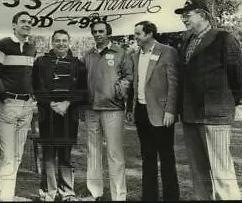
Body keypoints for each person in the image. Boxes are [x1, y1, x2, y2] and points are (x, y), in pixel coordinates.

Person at [174, 0, 242, 200]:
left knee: (222, 172)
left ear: (203, 15)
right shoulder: (187, 42)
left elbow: (239, 74)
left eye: (187, 15)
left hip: (215, 115)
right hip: (190, 115)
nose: (184, 19)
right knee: (198, 173)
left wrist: (228, 102)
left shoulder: (223, 38)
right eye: (182, 16)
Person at [126, 21, 180, 200]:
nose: (135, 37)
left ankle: (171, 197)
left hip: (162, 113)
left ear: (149, 34)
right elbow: (135, 84)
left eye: (138, 34)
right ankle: (149, 197)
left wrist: (171, 111)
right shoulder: (135, 55)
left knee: (166, 157)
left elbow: (174, 84)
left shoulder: (167, 52)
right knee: (147, 157)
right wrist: (130, 108)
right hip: (141, 111)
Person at [32, 29, 87, 202]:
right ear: (52, 42)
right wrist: (52, 104)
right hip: (47, 114)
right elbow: (36, 87)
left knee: (65, 155)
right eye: (57, 40)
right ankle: (49, 192)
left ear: (69, 42)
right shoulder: (41, 62)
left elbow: (82, 90)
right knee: (48, 154)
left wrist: (66, 103)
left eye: (64, 40)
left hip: (69, 115)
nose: (61, 43)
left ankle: (67, 192)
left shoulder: (78, 64)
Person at [82, 21, 132, 201]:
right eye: (94, 32)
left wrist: (119, 91)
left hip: (113, 109)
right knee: (93, 152)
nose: (97, 34)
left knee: (114, 153)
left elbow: (129, 76)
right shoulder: (88, 55)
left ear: (108, 33)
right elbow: (83, 80)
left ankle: (119, 195)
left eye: (101, 31)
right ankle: (95, 192)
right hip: (91, 110)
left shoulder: (120, 52)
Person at [0, 11, 37, 201]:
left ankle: (8, 194)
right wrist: (3, 96)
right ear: (14, 25)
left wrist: (32, 99)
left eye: (29, 22)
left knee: (17, 155)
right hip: (7, 105)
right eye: (23, 21)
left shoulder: (32, 47)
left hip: (26, 106)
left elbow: (31, 76)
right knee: (8, 155)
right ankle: (5, 198)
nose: (27, 24)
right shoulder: (2, 44)